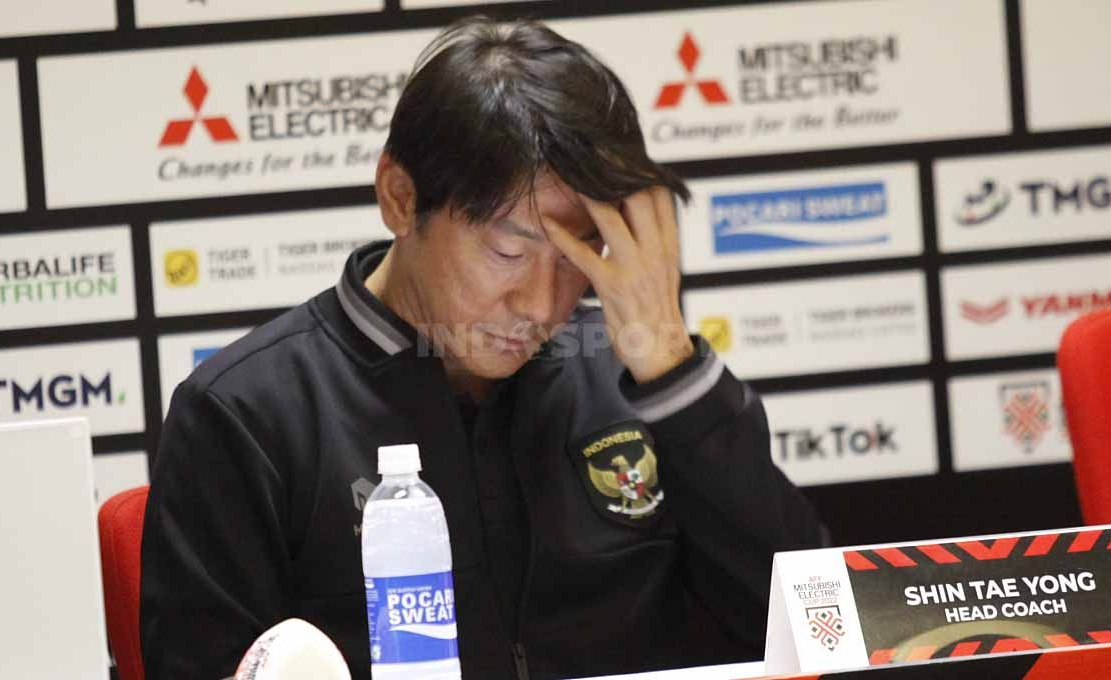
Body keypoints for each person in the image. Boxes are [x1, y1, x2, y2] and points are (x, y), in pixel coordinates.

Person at [141, 16, 826, 680]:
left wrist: (674, 372)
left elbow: (816, 624)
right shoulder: (244, 413)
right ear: (400, 196)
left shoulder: (637, 374)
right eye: (508, 251)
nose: (543, 305)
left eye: (579, 255)